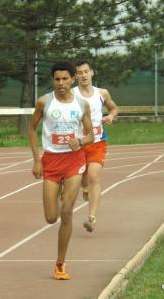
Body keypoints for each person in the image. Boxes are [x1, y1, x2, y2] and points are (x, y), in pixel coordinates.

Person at [28, 61, 94, 280]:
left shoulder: (82, 104)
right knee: (51, 218)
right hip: (51, 161)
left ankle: (60, 264)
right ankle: (57, 196)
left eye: (65, 78)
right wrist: (37, 160)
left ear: (72, 79)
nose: (61, 83)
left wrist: (81, 141)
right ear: (53, 80)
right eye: (57, 79)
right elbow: (31, 128)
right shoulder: (43, 102)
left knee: (67, 212)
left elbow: (91, 135)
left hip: (74, 162)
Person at [72, 60, 118, 232]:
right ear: (75, 76)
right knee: (83, 179)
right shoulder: (71, 94)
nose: (83, 75)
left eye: (86, 71)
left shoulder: (102, 93)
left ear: (92, 72)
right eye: (79, 72)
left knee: (93, 176)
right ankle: (84, 187)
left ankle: (91, 218)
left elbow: (114, 108)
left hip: (98, 141)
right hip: (79, 143)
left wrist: (111, 117)